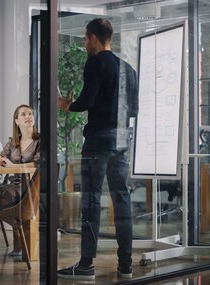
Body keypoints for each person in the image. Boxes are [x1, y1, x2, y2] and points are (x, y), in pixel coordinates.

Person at [57, 18, 138, 280]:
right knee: (122, 199)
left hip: (98, 140)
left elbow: (87, 101)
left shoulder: (95, 62)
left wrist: (68, 105)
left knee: (91, 200)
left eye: (85, 38)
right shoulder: (128, 68)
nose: (84, 43)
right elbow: (134, 110)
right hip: (122, 140)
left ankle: (85, 265)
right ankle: (126, 264)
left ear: (93, 37)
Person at [0, 104, 40, 256]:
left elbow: (38, 163)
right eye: (23, 114)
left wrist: (15, 165)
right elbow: (1, 156)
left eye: (30, 113)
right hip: (15, 184)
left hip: (32, 185)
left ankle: (21, 237)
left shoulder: (39, 140)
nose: (28, 116)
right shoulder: (12, 142)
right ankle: (20, 234)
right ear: (16, 121)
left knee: (4, 196)